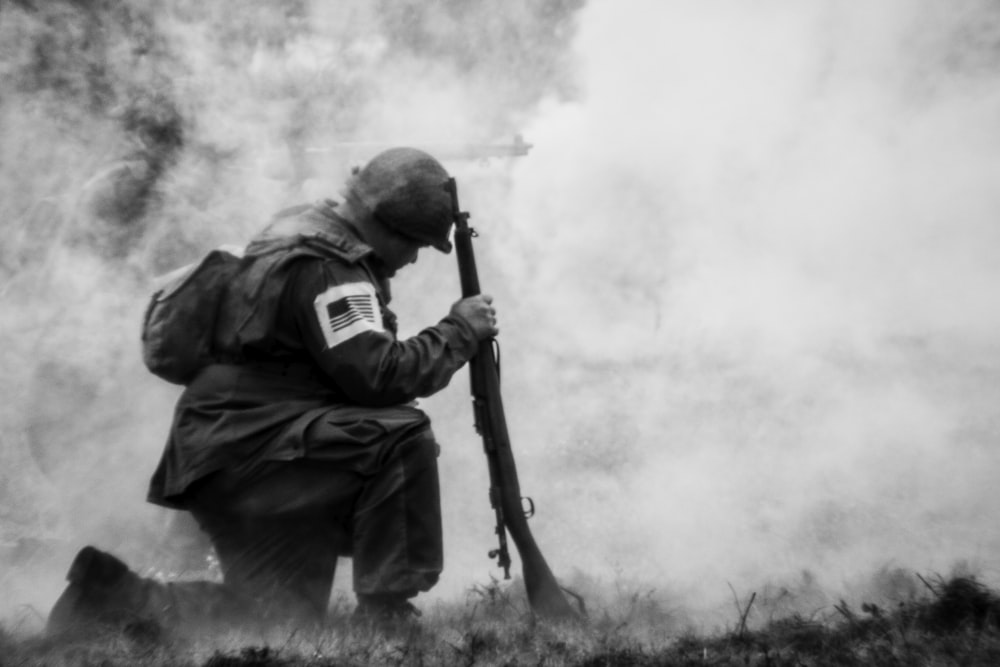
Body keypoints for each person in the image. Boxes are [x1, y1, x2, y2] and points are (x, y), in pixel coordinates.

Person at [47, 147, 498, 637]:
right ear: (387, 224)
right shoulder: (330, 267)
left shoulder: (302, 229)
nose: (412, 259)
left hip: (244, 450)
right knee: (400, 435)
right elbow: (380, 377)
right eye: (415, 245)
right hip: (258, 450)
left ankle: (108, 596)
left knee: (270, 620)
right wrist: (459, 330)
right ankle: (386, 612)